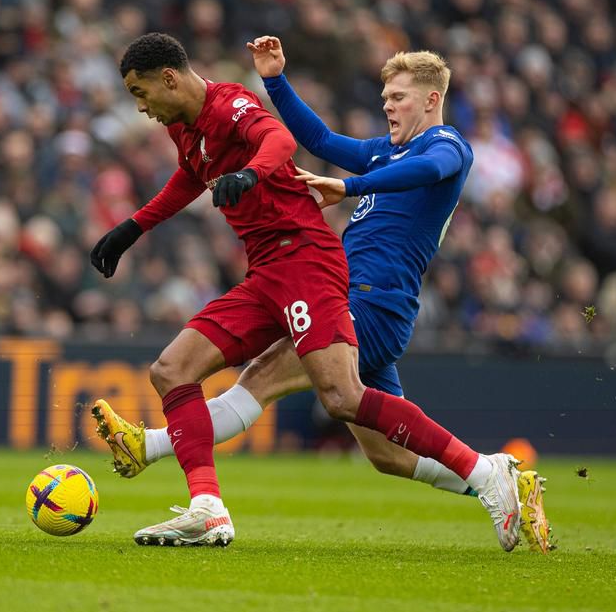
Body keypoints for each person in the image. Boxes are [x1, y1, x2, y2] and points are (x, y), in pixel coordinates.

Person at [92, 36, 551, 552]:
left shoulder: (445, 147)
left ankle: (488, 473)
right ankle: (496, 477)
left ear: (430, 99)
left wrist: (348, 187)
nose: (387, 106)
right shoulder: (383, 152)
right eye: (384, 98)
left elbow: (419, 171)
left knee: (301, 387)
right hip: (316, 280)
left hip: (371, 295)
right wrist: (275, 80)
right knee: (385, 454)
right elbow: (318, 138)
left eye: (398, 97)